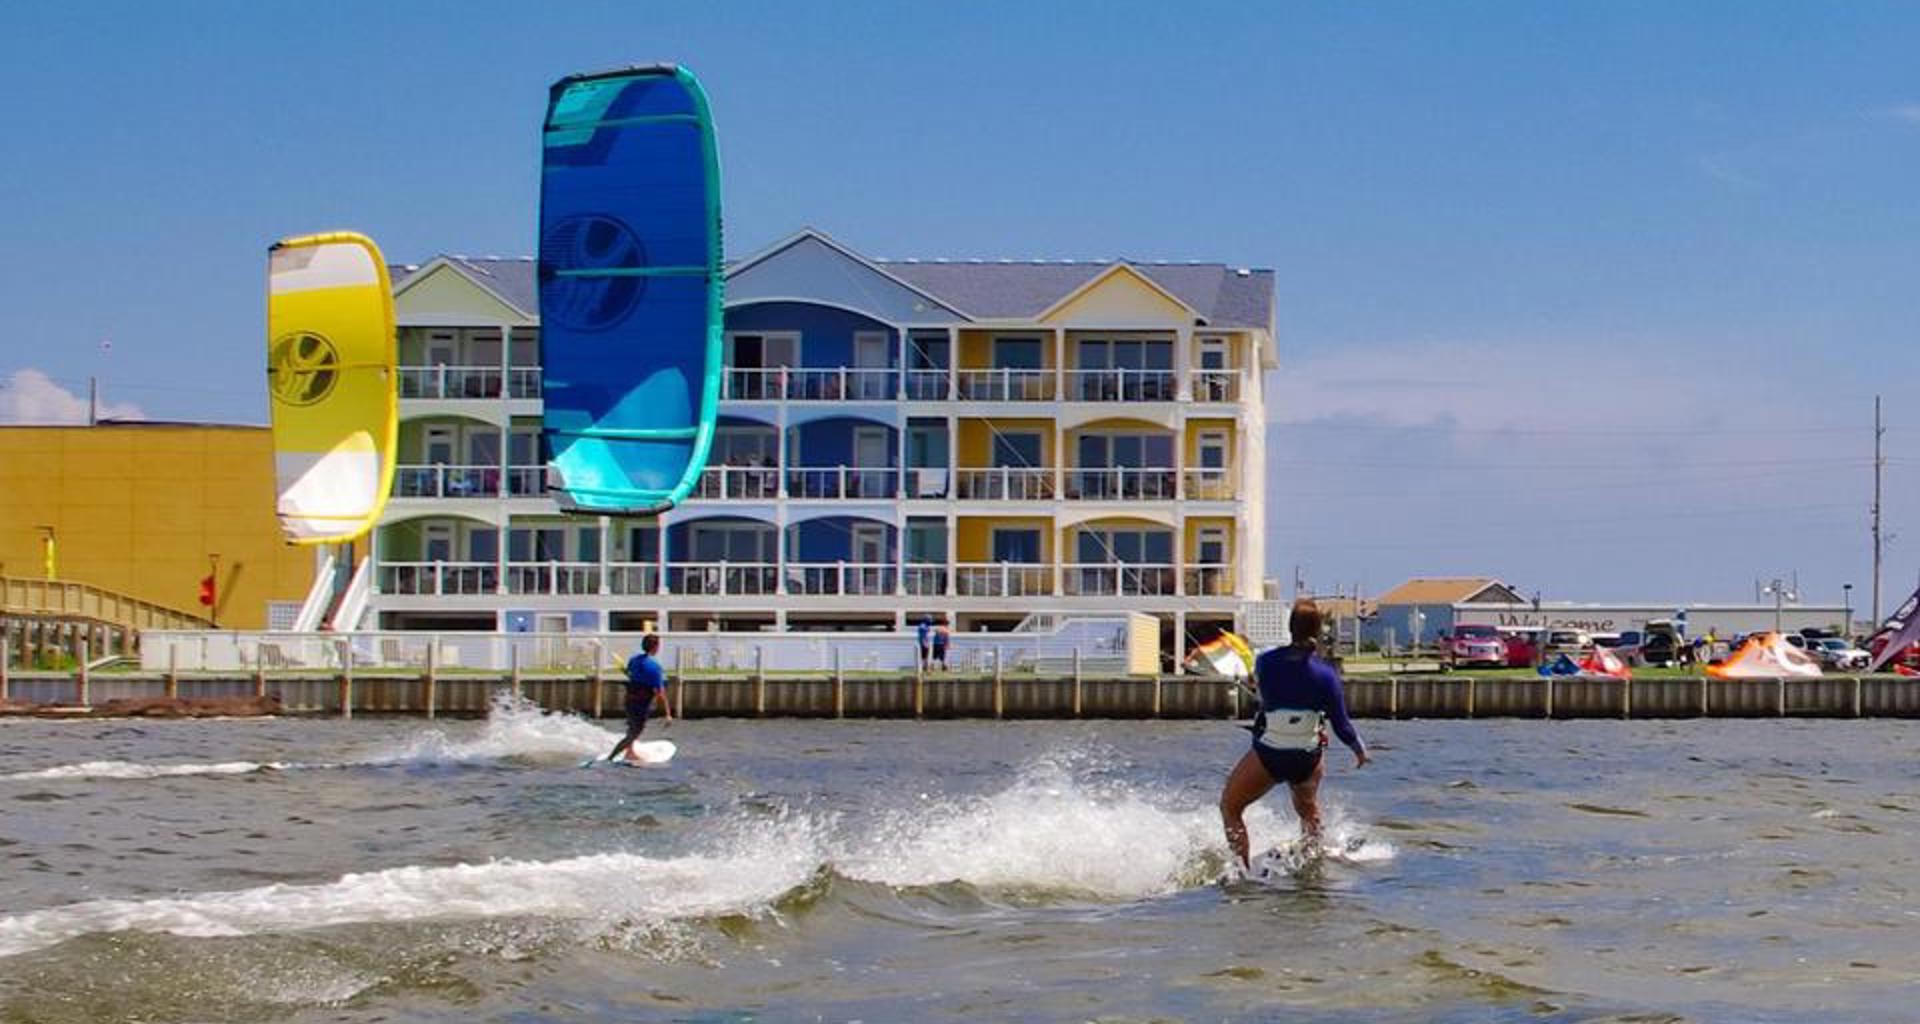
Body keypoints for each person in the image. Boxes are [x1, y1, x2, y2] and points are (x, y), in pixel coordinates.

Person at [1219, 599, 1369, 870]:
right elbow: (1342, 724)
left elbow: (1264, 690)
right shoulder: (1326, 674)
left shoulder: (1265, 662)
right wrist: (1359, 750)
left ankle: (1243, 871)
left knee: (1230, 807)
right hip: (1306, 758)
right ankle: (1313, 863)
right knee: (1308, 810)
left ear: (1290, 628)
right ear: (1319, 629)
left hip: (1269, 755)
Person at [606, 633, 673, 762]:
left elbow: (630, 674)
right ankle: (611, 758)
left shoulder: (634, 660)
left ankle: (629, 753)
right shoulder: (655, 668)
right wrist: (668, 714)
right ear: (655, 647)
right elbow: (660, 692)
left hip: (629, 700)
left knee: (632, 727)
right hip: (642, 704)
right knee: (634, 733)